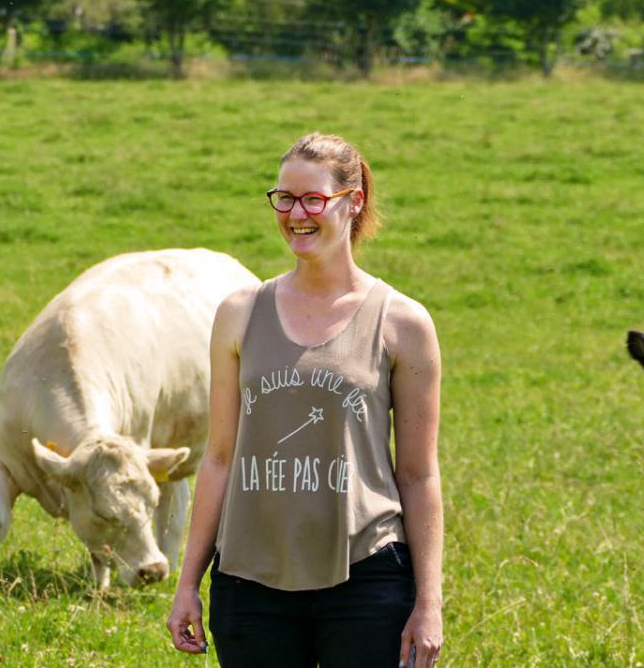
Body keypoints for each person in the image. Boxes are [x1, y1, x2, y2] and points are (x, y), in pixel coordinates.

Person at [166, 132, 444, 668]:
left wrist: (428, 602)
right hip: (249, 580)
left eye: (313, 199)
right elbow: (220, 456)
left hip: (366, 575)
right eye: (284, 199)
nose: (296, 214)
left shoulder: (404, 323)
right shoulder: (239, 313)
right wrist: (187, 584)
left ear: (353, 201)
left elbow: (418, 474)